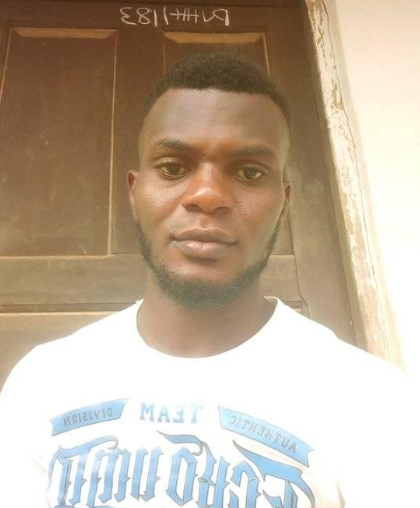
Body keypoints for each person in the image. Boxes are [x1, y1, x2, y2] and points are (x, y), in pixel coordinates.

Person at [0, 53, 417, 508]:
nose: (207, 195)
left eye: (249, 172)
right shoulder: (44, 382)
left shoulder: (369, 399)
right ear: (134, 193)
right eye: (173, 167)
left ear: (283, 201)